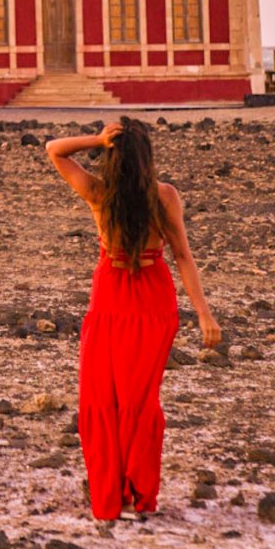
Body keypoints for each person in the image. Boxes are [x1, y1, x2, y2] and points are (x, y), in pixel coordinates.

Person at [45, 116, 221, 520]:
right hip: (152, 300)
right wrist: (203, 314)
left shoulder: (97, 192)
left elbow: (54, 148)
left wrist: (97, 139)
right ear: (147, 158)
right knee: (138, 404)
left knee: (101, 402)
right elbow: (182, 256)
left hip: (112, 296)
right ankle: (139, 496)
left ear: (112, 157)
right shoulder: (164, 196)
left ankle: (114, 497)